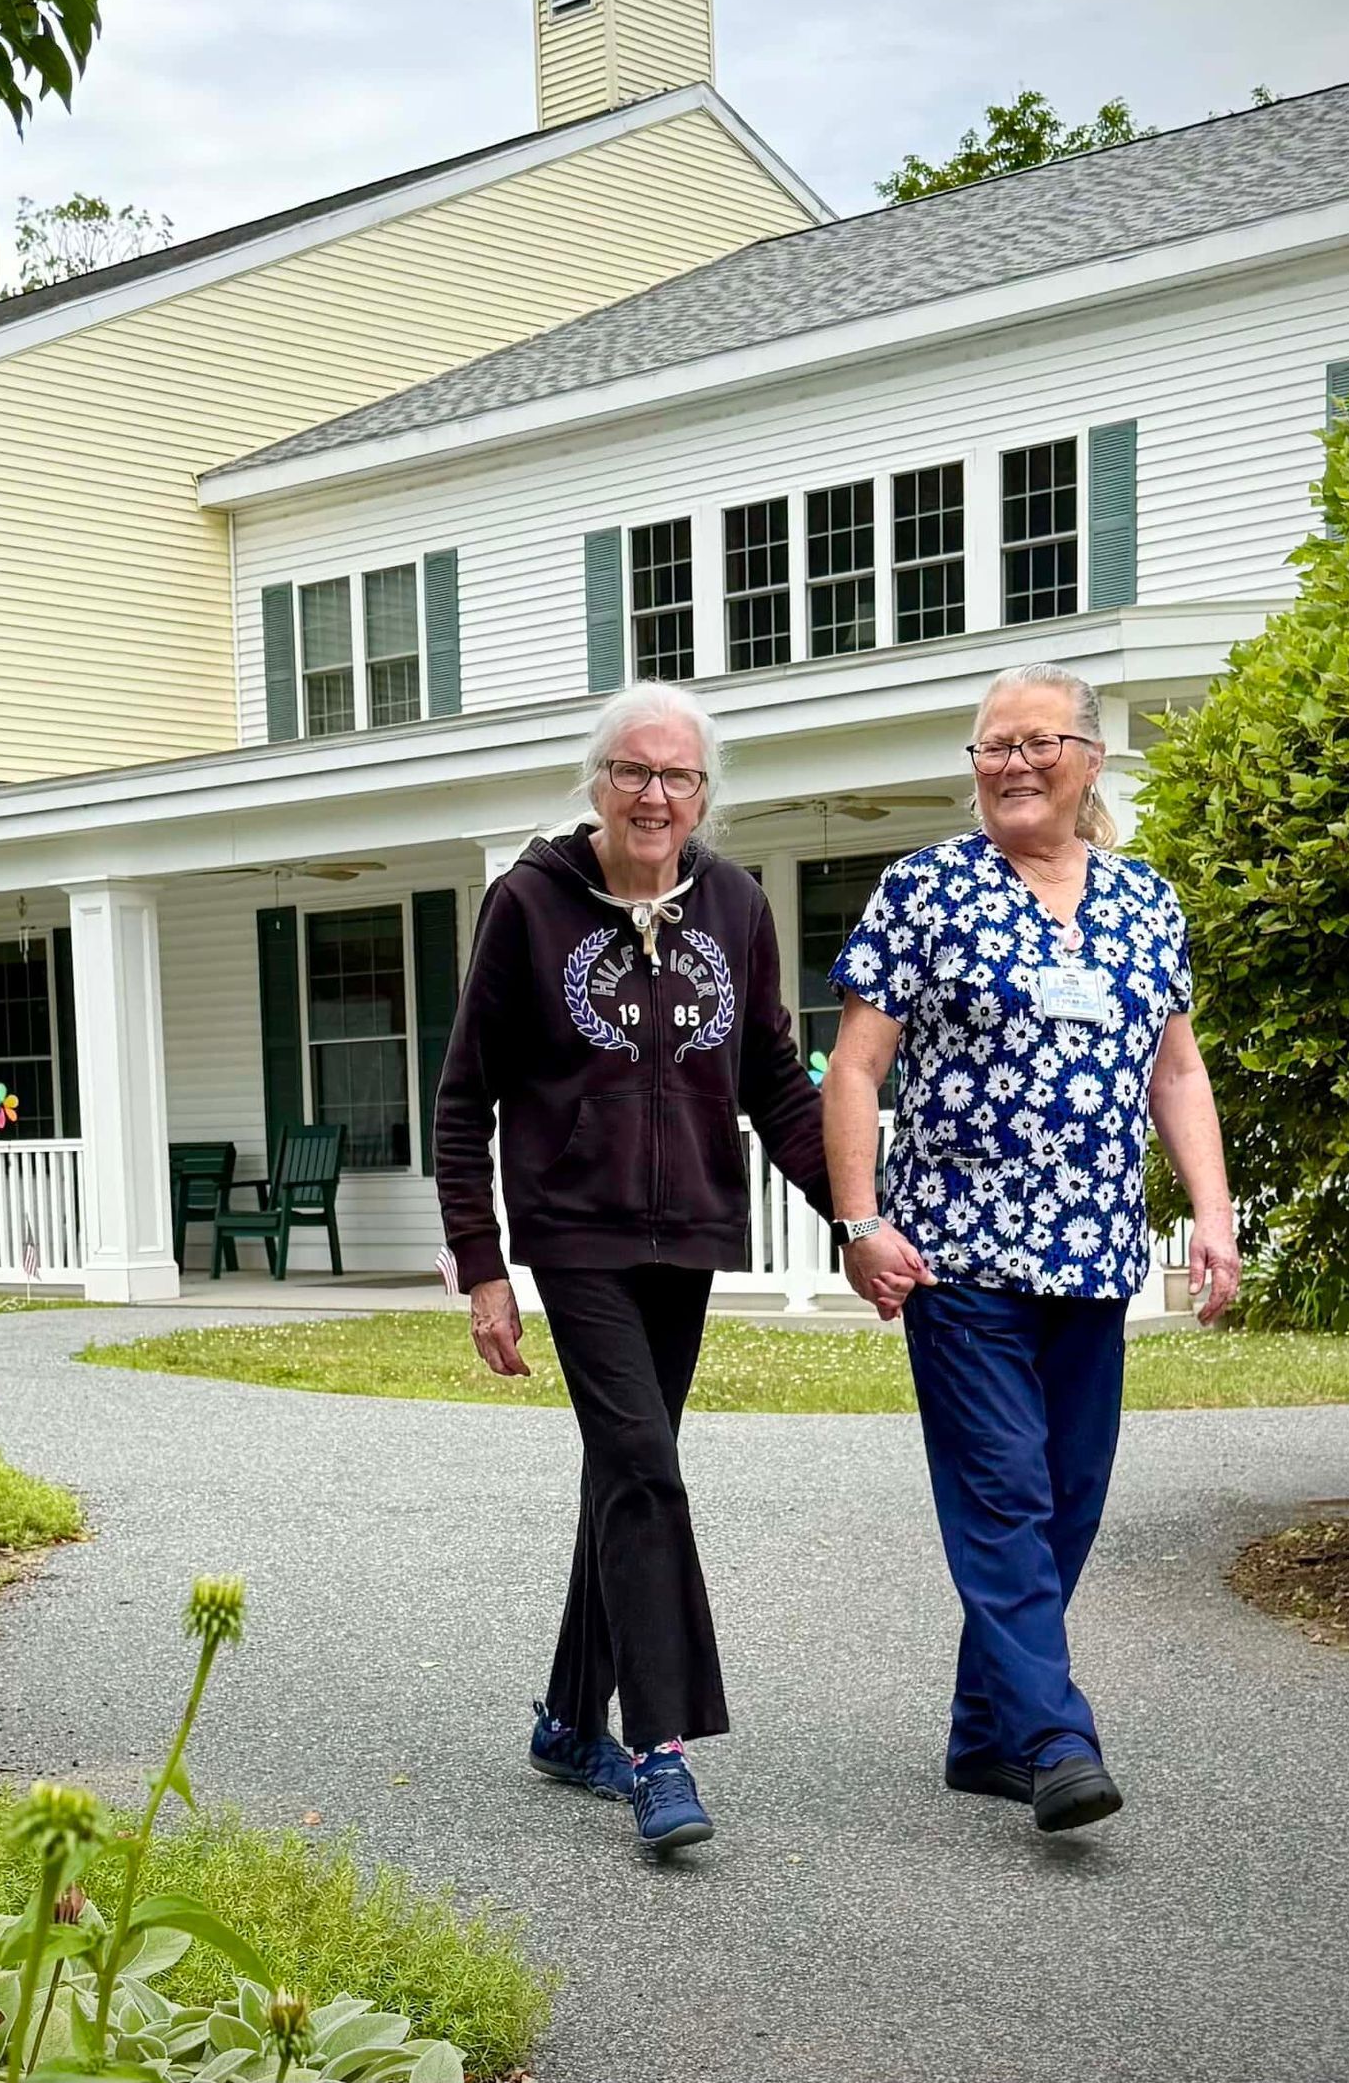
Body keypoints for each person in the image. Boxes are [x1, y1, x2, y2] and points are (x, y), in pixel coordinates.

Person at [822, 661, 1238, 1835]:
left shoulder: (1145, 901)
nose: (1011, 762)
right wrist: (860, 1221)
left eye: (1036, 741)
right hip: (957, 1255)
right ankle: (1056, 1733)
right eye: (991, 746)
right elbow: (855, 1067)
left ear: (1089, 759)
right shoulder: (927, 889)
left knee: (1068, 1500)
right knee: (1003, 1491)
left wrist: (1212, 1212)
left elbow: (1178, 1069)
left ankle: (980, 1734)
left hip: (1094, 1256)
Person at [433, 681, 832, 1852]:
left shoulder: (738, 906)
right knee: (649, 1469)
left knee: (623, 1470)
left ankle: (568, 1719)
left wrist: (855, 1218)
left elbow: (774, 1082)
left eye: (679, 777)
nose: (657, 795)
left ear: (704, 794)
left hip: (691, 1233)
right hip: (577, 1231)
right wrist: (483, 1266)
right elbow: (464, 1099)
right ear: (598, 782)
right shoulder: (528, 904)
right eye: (634, 772)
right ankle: (661, 1748)